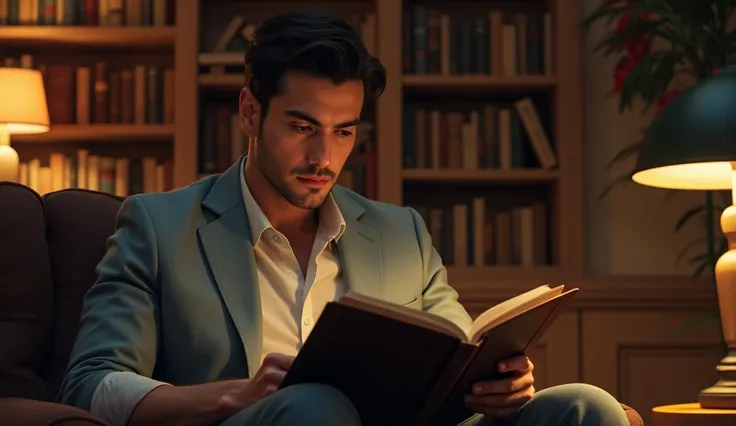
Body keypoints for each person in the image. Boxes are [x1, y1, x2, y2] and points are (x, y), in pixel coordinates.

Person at [58, 9, 629, 426]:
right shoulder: (158, 225)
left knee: (586, 406)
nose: (323, 158)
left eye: (344, 131)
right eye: (303, 127)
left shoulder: (400, 231)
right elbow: (90, 385)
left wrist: (496, 386)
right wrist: (237, 395)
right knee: (315, 405)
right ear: (250, 112)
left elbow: (453, 352)